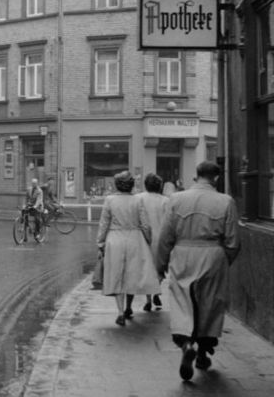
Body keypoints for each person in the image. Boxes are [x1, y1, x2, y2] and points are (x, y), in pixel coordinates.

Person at [156, 161, 240, 381]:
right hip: (213, 254)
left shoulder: (177, 199)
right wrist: (223, 260)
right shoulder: (226, 202)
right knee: (209, 304)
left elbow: (165, 237)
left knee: (183, 301)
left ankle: (185, 343)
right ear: (217, 178)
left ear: (196, 176)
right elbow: (233, 241)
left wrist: (161, 265)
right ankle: (202, 352)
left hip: (183, 254)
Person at [96, 170, 160, 327]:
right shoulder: (137, 201)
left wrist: (100, 243)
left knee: (117, 274)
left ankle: (119, 312)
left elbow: (104, 223)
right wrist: (148, 240)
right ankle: (128, 307)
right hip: (135, 239)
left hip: (115, 239)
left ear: (117, 185)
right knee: (131, 274)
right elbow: (145, 224)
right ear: (131, 185)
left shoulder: (110, 200)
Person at [136, 172, 170, 312]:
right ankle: (156, 291)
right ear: (160, 186)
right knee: (159, 269)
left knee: (145, 270)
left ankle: (149, 299)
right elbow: (169, 222)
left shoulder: (138, 198)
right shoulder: (166, 201)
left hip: (143, 238)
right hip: (160, 239)